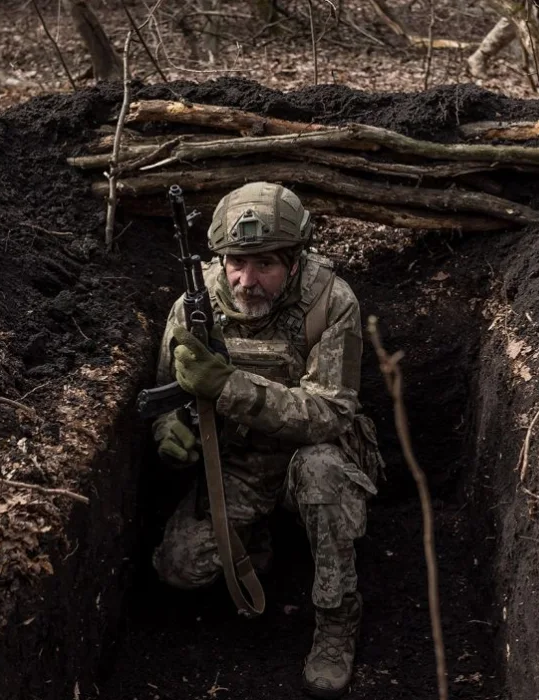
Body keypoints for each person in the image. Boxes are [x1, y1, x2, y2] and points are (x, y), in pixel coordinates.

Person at [149, 182, 384, 699]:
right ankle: (257, 538)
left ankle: (336, 619)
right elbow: (168, 390)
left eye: (265, 266)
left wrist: (230, 388)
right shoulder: (195, 303)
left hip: (315, 453)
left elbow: (329, 412)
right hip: (239, 459)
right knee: (180, 566)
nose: (246, 281)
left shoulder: (330, 301)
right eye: (236, 263)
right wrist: (172, 429)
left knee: (322, 476)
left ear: (295, 261)